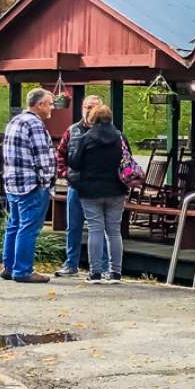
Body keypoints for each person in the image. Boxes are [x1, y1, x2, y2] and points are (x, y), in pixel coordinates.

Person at [66, 97, 129, 284]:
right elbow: (128, 160)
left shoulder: (86, 138)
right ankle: (116, 273)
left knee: (95, 229)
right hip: (116, 189)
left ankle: (95, 273)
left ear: (92, 119)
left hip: (91, 191)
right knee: (114, 231)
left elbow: (74, 163)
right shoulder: (120, 137)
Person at [0, 89, 58, 284]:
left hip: (12, 183)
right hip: (31, 185)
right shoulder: (34, 124)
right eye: (49, 103)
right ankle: (23, 270)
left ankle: (9, 266)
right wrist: (47, 182)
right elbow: (43, 158)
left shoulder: (14, 121)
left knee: (13, 225)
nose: (52, 108)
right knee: (29, 228)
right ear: (39, 104)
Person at [57, 103, 91, 278]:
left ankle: (100, 266)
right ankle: (71, 264)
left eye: (93, 107)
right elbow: (60, 153)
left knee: (99, 228)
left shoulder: (110, 132)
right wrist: (65, 173)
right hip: (75, 186)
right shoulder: (72, 130)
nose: (89, 110)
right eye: (86, 106)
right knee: (73, 226)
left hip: (97, 188)